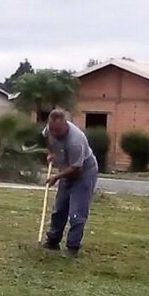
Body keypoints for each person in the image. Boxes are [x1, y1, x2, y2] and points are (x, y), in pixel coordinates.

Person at [42, 109, 99, 257]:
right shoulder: (50, 129)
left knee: (76, 213)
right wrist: (52, 152)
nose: (54, 133)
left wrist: (57, 177)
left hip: (83, 173)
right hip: (67, 170)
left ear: (65, 124)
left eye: (57, 131)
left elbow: (76, 168)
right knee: (59, 209)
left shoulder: (75, 140)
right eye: (52, 130)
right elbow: (47, 138)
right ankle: (53, 241)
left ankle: (72, 248)